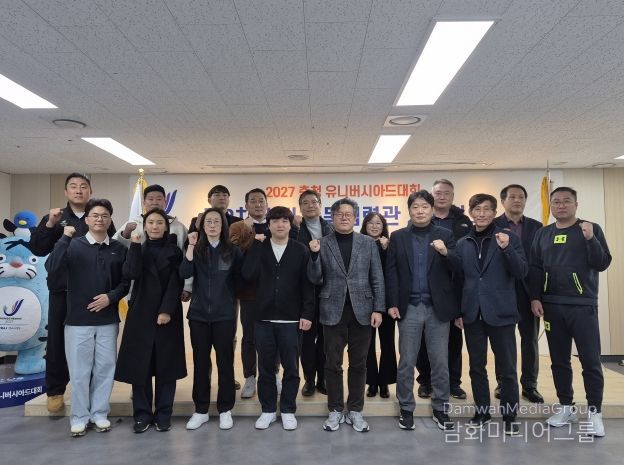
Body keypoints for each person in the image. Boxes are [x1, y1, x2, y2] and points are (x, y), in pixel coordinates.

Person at [30, 173, 116, 413]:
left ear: (90, 191)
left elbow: (110, 251)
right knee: (57, 342)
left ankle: (90, 394)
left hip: (91, 292)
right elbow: (38, 248)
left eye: (83, 186)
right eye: (73, 187)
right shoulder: (55, 217)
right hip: (62, 291)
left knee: (91, 347)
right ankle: (55, 390)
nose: (79, 190)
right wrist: (49, 224)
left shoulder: (98, 217)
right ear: (66, 192)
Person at [529, 187, 612, 437]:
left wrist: (591, 239)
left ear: (576, 204)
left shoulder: (590, 228)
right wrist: (535, 297)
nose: (561, 205)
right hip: (552, 306)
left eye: (566, 201)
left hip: (582, 306)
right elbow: (535, 268)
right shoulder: (543, 234)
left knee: (590, 361)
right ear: (551, 205)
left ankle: (595, 412)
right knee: (559, 361)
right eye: (556, 202)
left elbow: (602, 263)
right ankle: (566, 407)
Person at [45, 198, 129, 437]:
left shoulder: (118, 248)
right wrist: (64, 238)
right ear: (88, 220)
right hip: (77, 321)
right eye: (95, 215)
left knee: (105, 369)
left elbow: (125, 282)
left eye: (104, 215)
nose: (99, 219)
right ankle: (79, 417)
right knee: (80, 372)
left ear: (110, 220)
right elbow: (52, 267)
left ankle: (99, 414)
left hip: (108, 320)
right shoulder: (73, 244)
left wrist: (110, 298)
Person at [452, 193, 527, 436]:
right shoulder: (463, 243)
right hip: (472, 313)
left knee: (507, 368)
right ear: (471, 213)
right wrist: (459, 312)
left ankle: (510, 415)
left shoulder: (508, 238)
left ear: (495, 213)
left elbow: (521, 272)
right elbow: (459, 280)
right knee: (477, 367)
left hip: (501, 312)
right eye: (477, 209)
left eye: (487, 209)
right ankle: (482, 411)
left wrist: (506, 249)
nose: (482, 214)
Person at [308, 198, 384, 433]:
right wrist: (314, 256)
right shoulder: (322, 243)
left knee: (359, 364)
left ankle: (355, 410)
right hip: (332, 310)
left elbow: (377, 278)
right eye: (339, 214)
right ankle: (335, 409)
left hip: (363, 311)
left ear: (355, 217)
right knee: (332, 363)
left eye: (348, 214)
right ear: (332, 217)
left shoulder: (367, 243)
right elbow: (315, 278)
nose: (344, 217)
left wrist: (378, 308)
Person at [386, 190, 459, 431]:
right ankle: (406, 408)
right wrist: (392, 303)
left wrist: (445, 252)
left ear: (432, 209)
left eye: (425, 207)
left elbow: (458, 267)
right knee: (407, 360)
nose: (420, 211)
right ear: (409, 210)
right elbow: (391, 273)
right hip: (409, 308)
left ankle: (441, 408)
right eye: (415, 207)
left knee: (440, 361)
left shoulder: (445, 235)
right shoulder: (398, 237)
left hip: (437, 309)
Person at [242, 206, 314, 430]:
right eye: (275, 221)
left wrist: (307, 314)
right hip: (263, 319)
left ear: (290, 225)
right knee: (265, 369)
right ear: (269, 225)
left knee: (291, 368)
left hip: (291, 320)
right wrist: (256, 244)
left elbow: (307, 285)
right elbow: (247, 275)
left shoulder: (300, 250)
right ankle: (268, 410)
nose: (280, 224)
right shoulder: (259, 247)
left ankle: (288, 410)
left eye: (284, 220)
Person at [115, 208, 186, 433]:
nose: (155, 226)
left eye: (159, 223)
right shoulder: (137, 248)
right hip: (140, 313)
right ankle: (142, 415)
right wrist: (135, 246)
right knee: (141, 367)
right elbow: (131, 273)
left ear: (166, 227)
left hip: (167, 314)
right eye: (151, 222)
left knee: (166, 366)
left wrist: (166, 310)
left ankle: (164, 414)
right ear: (144, 226)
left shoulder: (175, 251)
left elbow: (176, 283)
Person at [229, 188, 298, 398]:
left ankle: (274, 373)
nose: (257, 204)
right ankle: (250, 376)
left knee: (274, 337)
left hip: (274, 293)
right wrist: (250, 236)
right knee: (249, 337)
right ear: (246, 205)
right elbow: (233, 255)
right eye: (253, 201)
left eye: (261, 201)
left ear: (267, 204)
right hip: (249, 293)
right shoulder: (238, 226)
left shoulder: (276, 223)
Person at [180, 208, 243, 431]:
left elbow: (239, 280)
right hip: (198, 315)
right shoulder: (196, 249)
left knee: (225, 363)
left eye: (217, 221)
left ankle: (225, 409)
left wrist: (227, 298)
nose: (213, 225)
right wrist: (190, 246)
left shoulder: (232, 250)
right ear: (202, 226)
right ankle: (201, 410)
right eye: (208, 221)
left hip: (224, 315)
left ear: (223, 225)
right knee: (200, 363)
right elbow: (184, 272)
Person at [416, 179, 471, 400]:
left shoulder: (463, 221)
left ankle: (453, 383)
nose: (442, 196)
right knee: (424, 340)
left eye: (447, 193)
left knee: (454, 339)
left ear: (453, 196)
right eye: (438, 193)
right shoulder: (421, 219)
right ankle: (425, 381)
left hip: (455, 285)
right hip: (428, 287)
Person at [493, 184, 544, 403]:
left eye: (521, 197)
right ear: (503, 201)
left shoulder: (536, 227)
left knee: (530, 340)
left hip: (527, 292)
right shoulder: (493, 225)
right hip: (501, 291)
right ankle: (503, 383)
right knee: (502, 341)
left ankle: (530, 385)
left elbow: (539, 264)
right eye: (512, 197)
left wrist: (536, 296)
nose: (517, 200)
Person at [113, 184, 191, 299]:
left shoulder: (178, 227)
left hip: (169, 286)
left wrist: (187, 286)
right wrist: (125, 234)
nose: (155, 202)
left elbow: (187, 258)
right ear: (144, 203)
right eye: (150, 199)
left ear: (165, 202)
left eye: (159, 199)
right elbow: (115, 250)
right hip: (138, 285)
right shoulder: (132, 224)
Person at [295, 189, 333, 396]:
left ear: (320, 205)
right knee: (307, 341)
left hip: (329, 291)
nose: (310, 205)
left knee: (327, 339)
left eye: (314, 202)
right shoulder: (294, 231)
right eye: (305, 203)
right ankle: (309, 379)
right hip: (305, 292)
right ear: (300, 208)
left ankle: (323, 379)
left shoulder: (332, 228)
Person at [360, 212, 396, 399]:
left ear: (383, 227)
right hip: (364, 300)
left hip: (387, 301)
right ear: (365, 226)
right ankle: (372, 382)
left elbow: (391, 273)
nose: (374, 226)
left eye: (378, 223)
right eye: (371, 223)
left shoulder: (390, 245)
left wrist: (386, 250)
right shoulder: (358, 243)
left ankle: (385, 382)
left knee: (387, 342)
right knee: (367, 344)